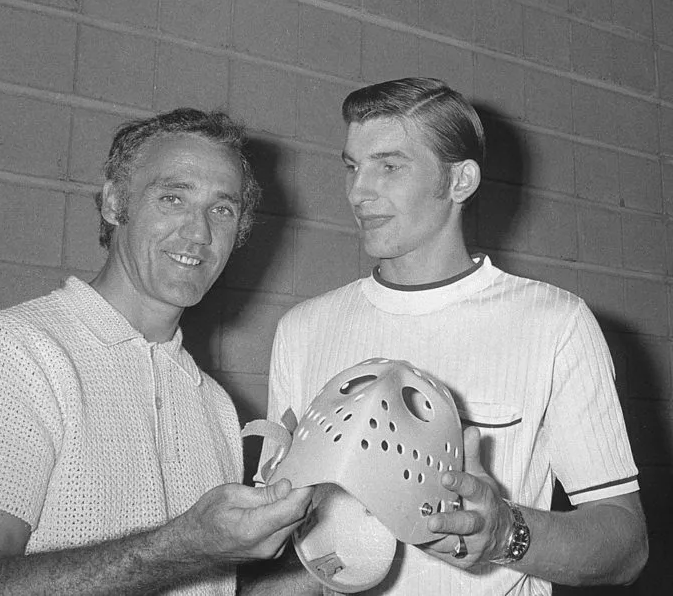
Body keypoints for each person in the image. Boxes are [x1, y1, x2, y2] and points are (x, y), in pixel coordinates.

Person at [257, 78, 648, 595]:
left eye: (389, 166)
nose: (358, 191)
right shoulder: (301, 330)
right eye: (352, 166)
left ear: (460, 181)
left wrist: (506, 533)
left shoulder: (556, 324)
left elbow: (625, 546)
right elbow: (284, 537)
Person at [0, 108, 312, 596]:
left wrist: (329, 547)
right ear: (114, 203)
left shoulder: (212, 403)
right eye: (172, 198)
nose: (198, 233)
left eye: (222, 209)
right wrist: (186, 546)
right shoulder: (17, 352)